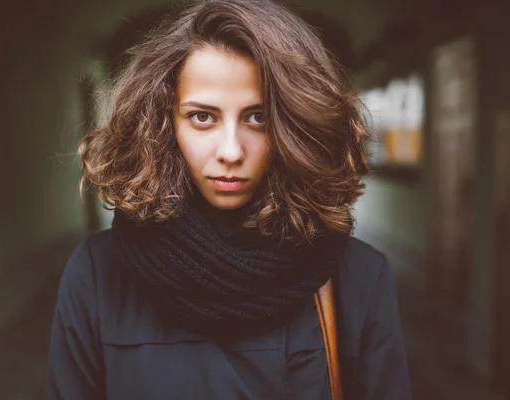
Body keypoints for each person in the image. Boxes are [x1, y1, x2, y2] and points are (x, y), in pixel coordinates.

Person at [44, 0, 412, 398]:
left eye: (259, 117)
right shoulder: (98, 273)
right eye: (203, 117)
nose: (231, 151)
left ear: (298, 126)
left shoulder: (355, 278)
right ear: (162, 124)